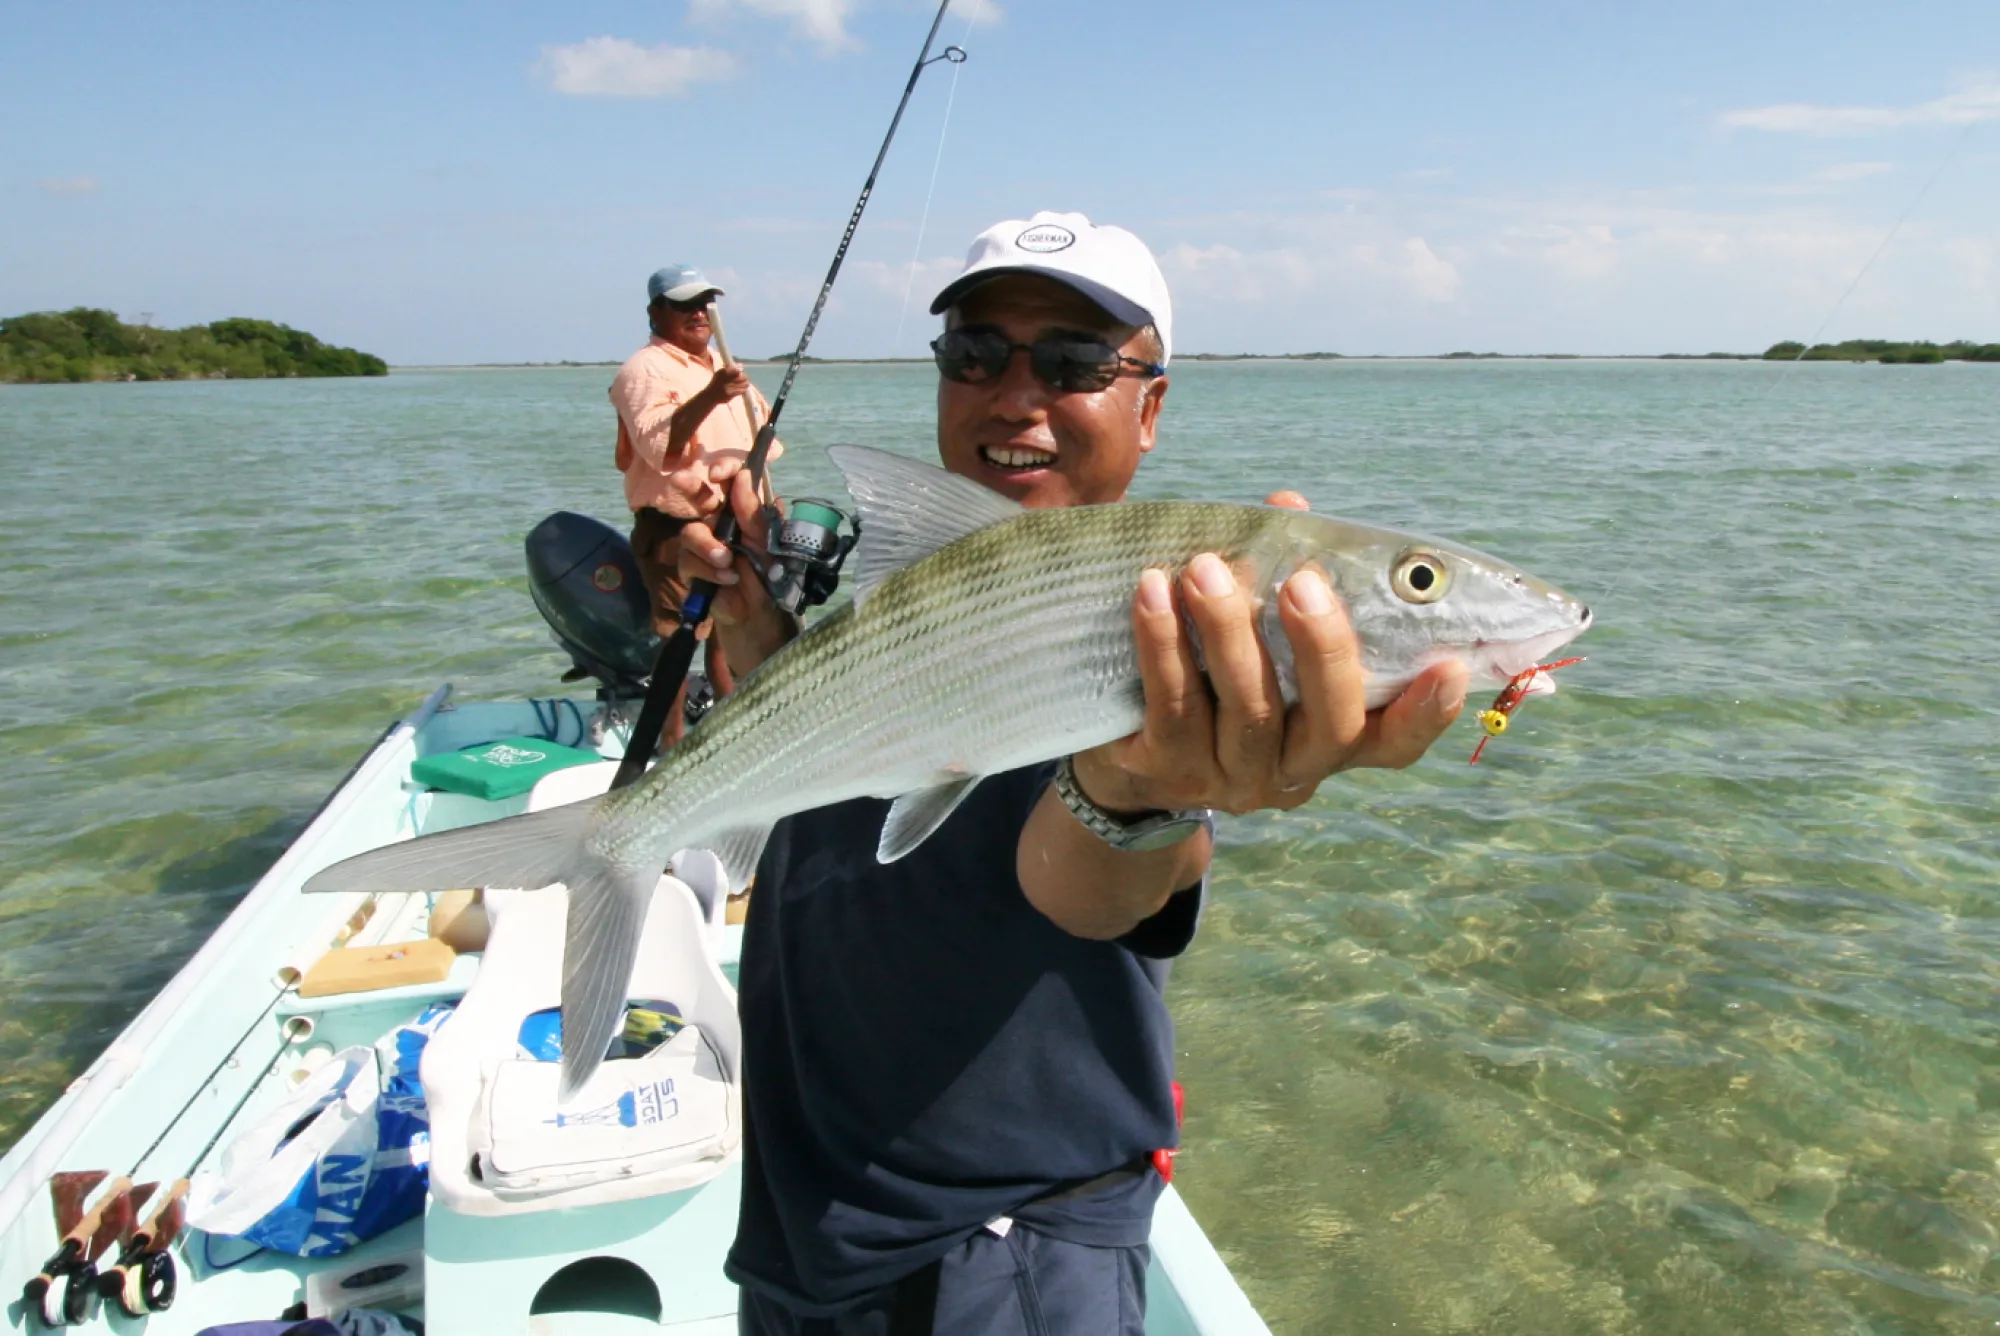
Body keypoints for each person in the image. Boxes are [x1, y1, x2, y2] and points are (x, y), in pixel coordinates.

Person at [678, 213, 1471, 1334]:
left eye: (1072, 363)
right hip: (800, 1218)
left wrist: (1132, 789)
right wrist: (753, 628)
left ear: (1148, 406)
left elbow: (1101, 888)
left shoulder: (1178, 636)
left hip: (999, 1252)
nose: (1015, 395)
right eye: (976, 354)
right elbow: (827, 783)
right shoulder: (892, 595)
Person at [610, 263, 781, 732]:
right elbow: (661, 445)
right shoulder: (643, 369)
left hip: (739, 522)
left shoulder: (720, 364)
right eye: (684, 304)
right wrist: (713, 394)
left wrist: (770, 506)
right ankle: (669, 746)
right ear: (655, 312)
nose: (699, 313)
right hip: (678, 529)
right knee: (677, 639)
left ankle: (735, 729)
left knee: (731, 634)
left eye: (705, 303)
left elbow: (759, 438)